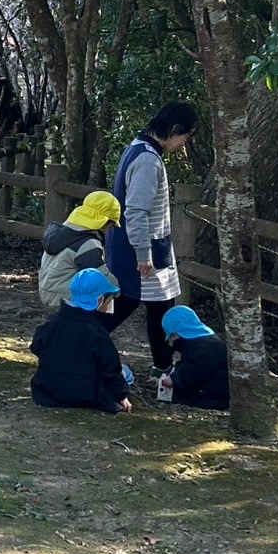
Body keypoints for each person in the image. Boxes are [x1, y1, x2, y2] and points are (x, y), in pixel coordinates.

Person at [105, 101, 198, 371]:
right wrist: (143, 254)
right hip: (142, 251)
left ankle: (163, 366)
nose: (183, 143)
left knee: (158, 309)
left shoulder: (138, 148)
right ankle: (77, 344)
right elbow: (136, 211)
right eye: (185, 136)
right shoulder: (147, 160)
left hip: (144, 247)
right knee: (126, 304)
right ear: (174, 129)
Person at [30, 270, 132, 415]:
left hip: (47, 391)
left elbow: (36, 347)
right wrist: (121, 395)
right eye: (109, 301)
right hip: (86, 394)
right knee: (126, 372)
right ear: (100, 300)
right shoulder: (97, 332)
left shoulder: (52, 322)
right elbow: (111, 369)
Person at [38, 191, 122, 310]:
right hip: (66, 297)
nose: (109, 230)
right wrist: (117, 289)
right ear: (104, 222)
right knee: (107, 292)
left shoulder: (62, 231)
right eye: (111, 226)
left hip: (48, 291)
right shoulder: (88, 244)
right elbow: (102, 276)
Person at [157, 306, 231, 410]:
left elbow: (192, 374)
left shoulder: (202, 349)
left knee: (175, 397)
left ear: (176, 334)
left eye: (171, 338)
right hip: (211, 390)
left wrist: (169, 380)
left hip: (213, 397)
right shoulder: (204, 341)